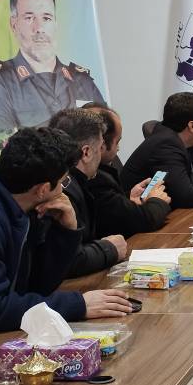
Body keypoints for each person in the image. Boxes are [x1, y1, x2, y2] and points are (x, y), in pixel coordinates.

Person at [0, 127, 133, 333]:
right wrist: (77, 305)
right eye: (63, 182)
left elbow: (38, 286)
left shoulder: (26, 205)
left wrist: (66, 232)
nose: (63, 190)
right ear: (43, 189)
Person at [0, 0, 106, 138]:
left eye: (46, 18)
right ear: (14, 25)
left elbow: (105, 134)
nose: (39, 28)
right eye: (29, 18)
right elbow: (2, 144)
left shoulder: (82, 80)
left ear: (55, 24)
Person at [47, 109, 130, 277]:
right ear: (86, 153)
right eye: (100, 148)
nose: (101, 155)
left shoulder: (70, 182)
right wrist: (110, 249)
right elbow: (68, 261)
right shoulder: (63, 190)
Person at [81, 104, 172, 238]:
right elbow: (145, 220)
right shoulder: (95, 178)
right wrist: (157, 200)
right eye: (117, 142)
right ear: (101, 145)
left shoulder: (100, 173)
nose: (118, 148)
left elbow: (112, 210)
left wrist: (127, 199)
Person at [120, 93, 193, 209]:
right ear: (192, 126)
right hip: (138, 213)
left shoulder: (187, 139)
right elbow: (185, 196)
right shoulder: (165, 145)